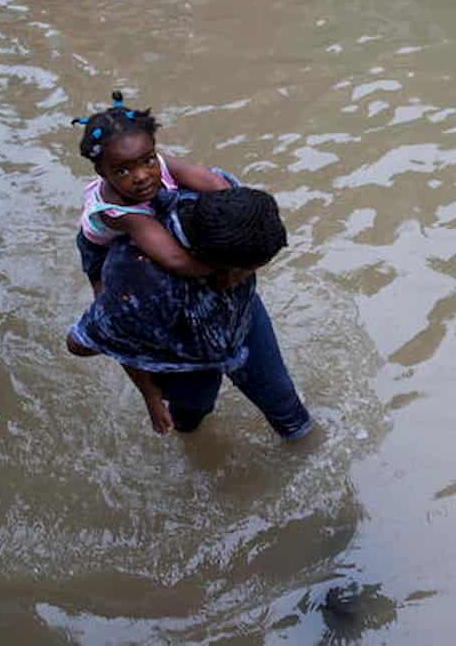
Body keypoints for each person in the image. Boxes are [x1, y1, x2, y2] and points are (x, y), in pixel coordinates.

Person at [67, 185, 313, 440]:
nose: (246, 276)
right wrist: (151, 395)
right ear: (214, 266)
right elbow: (86, 343)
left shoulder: (222, 202)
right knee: (190, 415)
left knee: (284, 404)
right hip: (183, 357)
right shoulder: (140, 282)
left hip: (241, 319)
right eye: (245, 270)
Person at [71, 91, 229, 292]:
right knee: (108, 293)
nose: (142, 176)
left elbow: (215, 183)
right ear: (102, 172)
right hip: (99, 246)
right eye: (122, 171)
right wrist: (224, 269)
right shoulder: (119, 212)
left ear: (153, 150)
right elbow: (175, 259)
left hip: (144, 212)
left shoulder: (157, 162)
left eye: (148, 160)